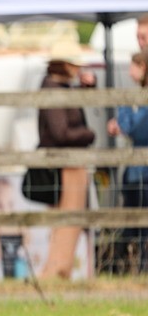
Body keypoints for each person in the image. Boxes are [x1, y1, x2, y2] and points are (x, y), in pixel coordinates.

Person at [35, 40, 95, 280]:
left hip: (65, 162)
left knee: (65, 221)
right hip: (65, 164)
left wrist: (87, 90)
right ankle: (57, 271)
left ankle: (60, 270)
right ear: (65, 65)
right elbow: (62, 132)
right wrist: (89, 134)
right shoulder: (53, 90)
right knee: (68, 220)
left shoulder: (59, 88)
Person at [107, 51, 148, 271]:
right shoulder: (140, 96)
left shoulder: (142, 99)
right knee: (135, 223)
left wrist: (122, 108)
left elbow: (136, 129)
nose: (129, 72)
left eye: (133, 66)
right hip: (136, 171)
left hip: (142, 173)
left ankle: (139, 267)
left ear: (143, 67)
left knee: (140, 224)